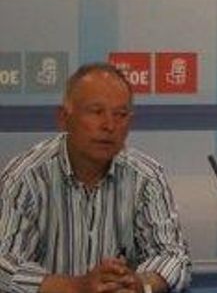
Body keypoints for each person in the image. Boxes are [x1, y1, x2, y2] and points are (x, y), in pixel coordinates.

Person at [0, 63, 191, 293]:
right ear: (64, 118)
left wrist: (140, 284)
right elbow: (4, 266)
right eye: (96, 111)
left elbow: (173, 256)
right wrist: (78, 287)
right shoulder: (26, 177)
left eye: (120, 115)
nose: (109, 125)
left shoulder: (146, 177)